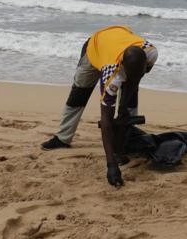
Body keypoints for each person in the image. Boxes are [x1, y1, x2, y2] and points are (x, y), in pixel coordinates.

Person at [41, 25, 158, 188]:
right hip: (94, 49)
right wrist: (111, 165)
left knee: (131, 91)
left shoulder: (151, 53)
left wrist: (124, 109)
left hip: (117, 41)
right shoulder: (111, 75)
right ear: (123, 67)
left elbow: (136, 77)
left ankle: (124, 142)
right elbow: (106, 121)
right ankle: (62, 138)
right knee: (80, 92)